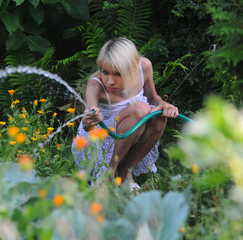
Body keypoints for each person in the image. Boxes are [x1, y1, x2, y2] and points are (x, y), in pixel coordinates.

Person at [72, 37, 178, 188]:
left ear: (133, 68)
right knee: (141, 109)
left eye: (118, 74)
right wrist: (88, 121)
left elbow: (153, 98)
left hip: (132, 133)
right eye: (105, 72)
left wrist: (164, 105)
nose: (110, 81)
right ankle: (106, 176)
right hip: (101, 139)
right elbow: (89, 120)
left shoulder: (144, 67)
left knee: (159, 116)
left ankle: (125, 172)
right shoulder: (95, 85)